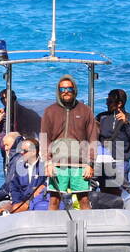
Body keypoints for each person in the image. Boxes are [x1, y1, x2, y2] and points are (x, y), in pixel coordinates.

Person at [40, 74, 98, 210]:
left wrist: (90, 164)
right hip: (57, 164)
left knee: (84, 200)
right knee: (54, 200)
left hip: (80, 165)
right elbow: (44, 139)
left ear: (74, 90)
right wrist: (47, 163)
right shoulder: (50, 111)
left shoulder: (85, 110)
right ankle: (52, 230)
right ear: (58, 91)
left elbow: (93, 138)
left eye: (69, 89)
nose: (66, 92)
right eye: (62, 89)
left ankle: (87, 229)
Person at [0, 136, 48, 214]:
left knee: (1, 212)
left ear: (34, 152)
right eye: (21, 150)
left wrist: (23, 204)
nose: (21, 153)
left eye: (24, 151)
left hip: (33, 203)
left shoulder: (44, 168)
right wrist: (16, 202)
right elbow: (14, 186)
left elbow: (45, 187)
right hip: (18, 202)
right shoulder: (20, 167)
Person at [95, 88, 130, 192]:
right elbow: (94, 137)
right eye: (107, 101)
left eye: (109, 101)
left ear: (119, 103)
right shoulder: (101, 117)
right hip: (102, 161)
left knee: (114, 193)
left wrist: (126, 124)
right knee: (102, 190)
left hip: (121, 161)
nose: (107, 103)